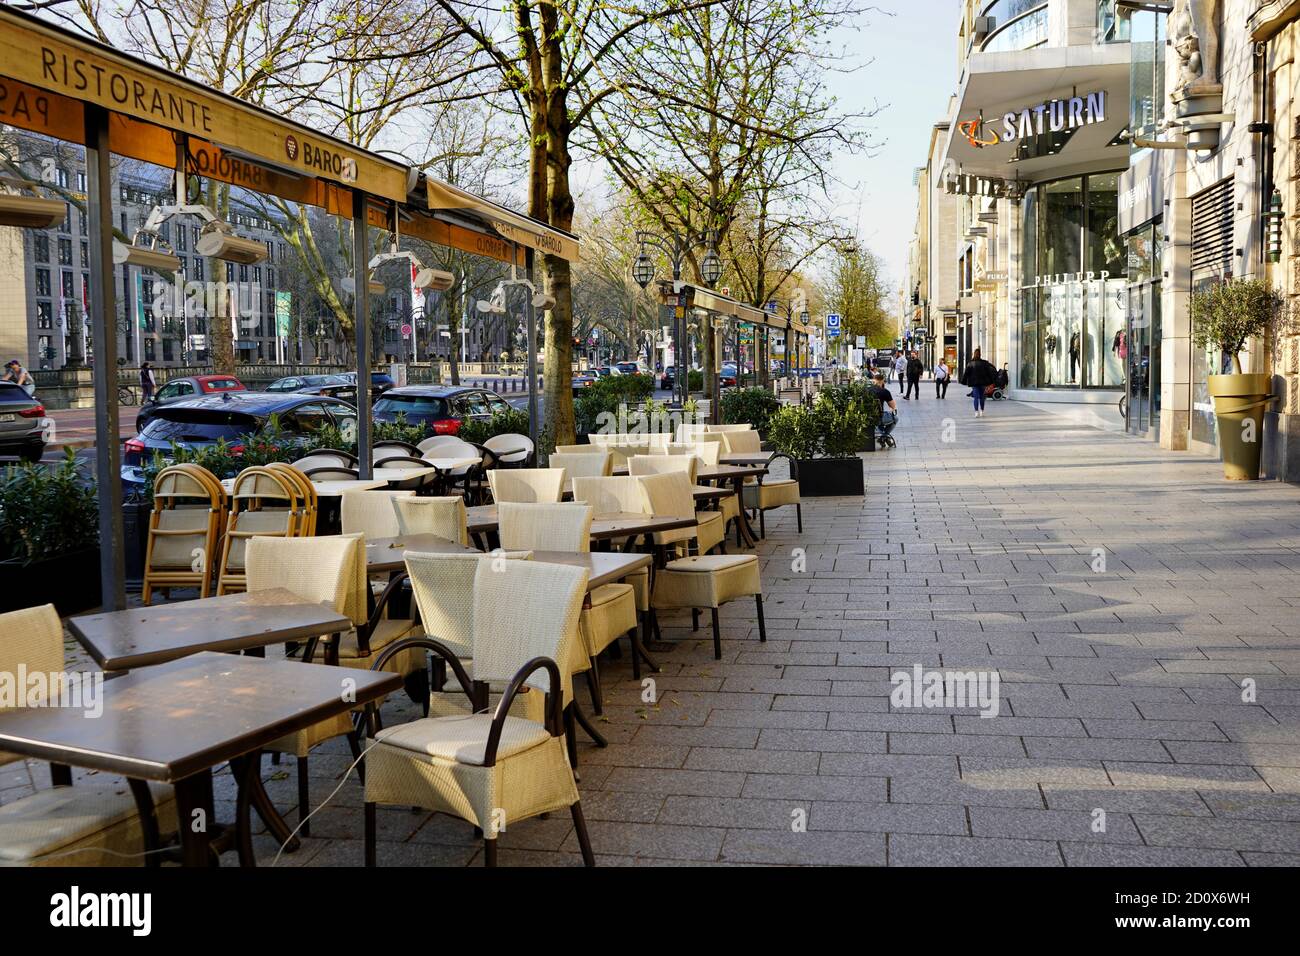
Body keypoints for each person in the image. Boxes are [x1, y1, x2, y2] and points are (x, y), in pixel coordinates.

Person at [960, 348, 998, 418]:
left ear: (973, 354)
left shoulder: (970, 363)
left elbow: (966, 373)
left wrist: (963, 381)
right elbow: (989, 373)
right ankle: (982, 411)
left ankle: (976, 412)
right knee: (982, 397)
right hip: (983, 383)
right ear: (980, 355)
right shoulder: (985, 363)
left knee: (976, 398)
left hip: (974, 383)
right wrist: (993, 381)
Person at [869, 372, 898, 445]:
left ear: (873, 380)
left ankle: (883, 437)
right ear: (882, 381)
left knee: (880, 418)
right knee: (895, 418)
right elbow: (893, 406)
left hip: (868, 417)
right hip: (879, 417)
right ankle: (884, 436)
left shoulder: (867, 390)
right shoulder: (884, 391)